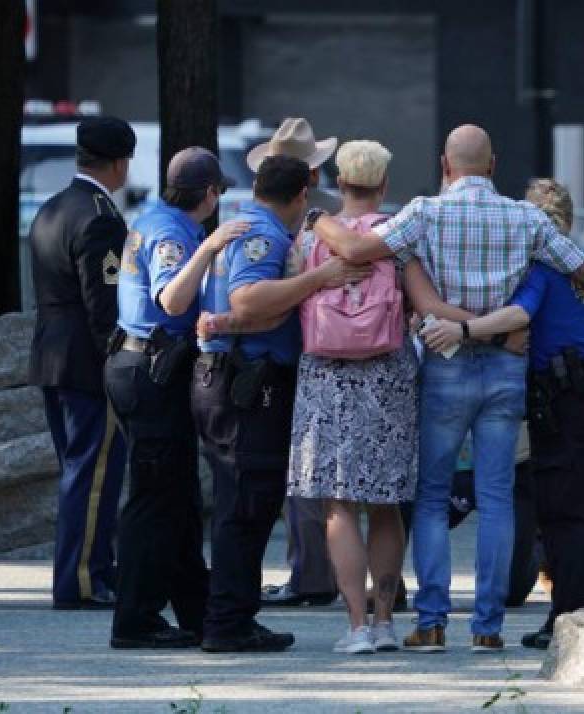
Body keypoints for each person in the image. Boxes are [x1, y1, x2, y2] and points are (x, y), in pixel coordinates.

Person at [311, 124, 584, 653]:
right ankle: (489, 626)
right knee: (497, 497)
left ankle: (431, 621)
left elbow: (358, 250)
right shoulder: (525, 218)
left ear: (444, 165)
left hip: (445, 363)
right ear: (492, 165)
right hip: (505, 367)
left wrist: (318, 219)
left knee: (430, 498)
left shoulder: (425, 212)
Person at [421, 178, 584, 650]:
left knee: (562, 511)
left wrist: (465, 328)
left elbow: (517, 317)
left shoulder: (538, 269)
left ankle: (568, 620)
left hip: (564, 394)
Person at [191, 156, 367, 653]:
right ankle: (228, 622)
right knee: (245, 506)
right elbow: (246, 302)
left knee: (242, 504)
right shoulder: (265, 234)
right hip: (248, 385)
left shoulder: (244, 224)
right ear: (301, 197)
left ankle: (235, 616)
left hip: (235, 381)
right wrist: (320, 278)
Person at [105, 148, 247, 649]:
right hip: (151, 370)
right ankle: (136, 620)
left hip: (143, 365)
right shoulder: (171, 232)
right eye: (219, 193)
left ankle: (195, 610)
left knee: (178, 496)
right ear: (209, 194)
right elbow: (172, 300)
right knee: (154, 499)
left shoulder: (155, 217)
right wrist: (209, 250)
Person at [284, 140, 418, 654]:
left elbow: (293, 291)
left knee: (340, 506)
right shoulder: (400, 237)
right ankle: (386, 620)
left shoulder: (312, 238)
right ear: (384, 185)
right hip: (388, 376)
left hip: (327, 376)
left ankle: (357, 626)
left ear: (340, 182)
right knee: (386, 506)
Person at [27, 117, 135, 610]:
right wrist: (118, 360)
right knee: (93, 476)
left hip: (52, 356)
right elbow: (103, 303)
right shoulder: (100, 216)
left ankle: (85, 572)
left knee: (77, 470)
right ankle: (85, 580)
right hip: (87, 363)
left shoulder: (52, 206)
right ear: (119, 162)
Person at [248, 117, 343, 607]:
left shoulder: (297, 224)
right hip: (346, 351)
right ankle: (351, 572)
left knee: (303, 474)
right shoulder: (335, 218)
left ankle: (310, 574)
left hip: (299, 353)